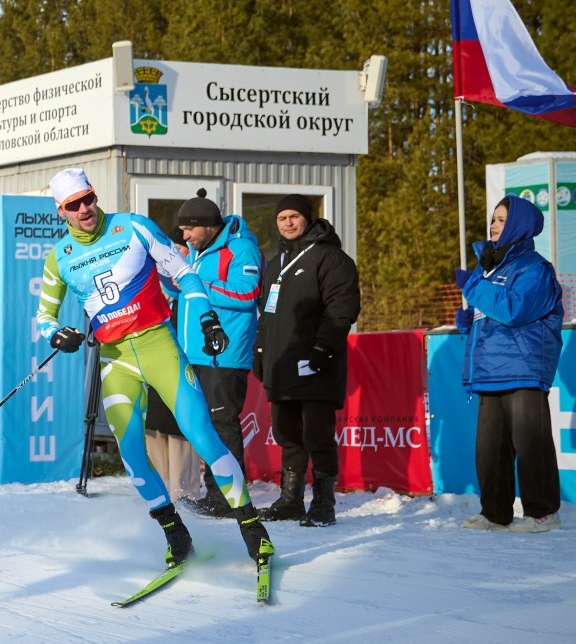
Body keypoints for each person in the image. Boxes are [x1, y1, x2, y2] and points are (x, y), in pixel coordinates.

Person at [34, 168, 272, 569]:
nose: (86, 209)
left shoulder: (133, 227)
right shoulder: (59, 258)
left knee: (203, 435)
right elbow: (43, 317)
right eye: (74, 205)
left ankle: (252, 529)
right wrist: (57, 334)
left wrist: (208, 318)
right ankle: (175, 534)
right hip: (116, 359)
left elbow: (183, 272)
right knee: (131, 452)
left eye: (89, 198)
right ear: (62, 211)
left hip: (158, 344)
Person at [456, 195, 563, 532]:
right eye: (493, 219)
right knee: (490, 449)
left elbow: (514, 310)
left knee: (531, 444)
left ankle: (542, 512)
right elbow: (489, 310)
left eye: (501, 219)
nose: (493, 225)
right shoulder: (490, 267)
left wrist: (474, 286)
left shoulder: (536, 269)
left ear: (518, 225)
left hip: (523, 367)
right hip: (489, 369)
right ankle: (495, 512)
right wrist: (467, 320)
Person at [254, 195, 360, 526]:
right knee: (287, 434)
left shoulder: (330, 258)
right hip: (281, 366)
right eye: (281, 217)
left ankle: (324, 504)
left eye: (294, 216)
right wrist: (260, 351)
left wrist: (322, 349)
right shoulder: (276, 263)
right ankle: (290, 500)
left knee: (317, 434)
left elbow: (342, 308)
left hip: (315, 366)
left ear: (307, 218)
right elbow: (266, 316)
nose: (287, 222)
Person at [170, 190, 263, 518]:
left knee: (223, 424)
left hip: (223, 355)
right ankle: (215, 492)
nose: (184, 236)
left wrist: (197, 285)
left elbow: (247, 293)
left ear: (206, 225)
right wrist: (170, 283)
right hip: (195, 352)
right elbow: (187, 294)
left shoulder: (240, 248)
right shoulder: (199, 250)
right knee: (205, 424)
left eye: (188, 229)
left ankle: (229, 499)